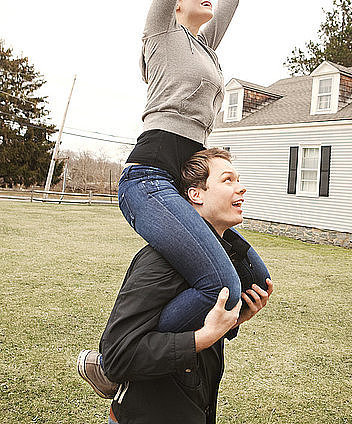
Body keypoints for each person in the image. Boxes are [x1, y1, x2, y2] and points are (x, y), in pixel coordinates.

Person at [117, 0, 254, 335]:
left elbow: (231, 1)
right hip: (150, 178)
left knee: (255, 279)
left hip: (184, 183)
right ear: (175, 3)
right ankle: (125, 360)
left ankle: (201, 337)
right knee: (222, 286)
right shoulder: (160, 31)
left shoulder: (206, 48)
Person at [79, 148, 273, 424]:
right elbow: (118, 355)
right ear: (196, 194)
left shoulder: (223, 257)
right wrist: (204, 337)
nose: (241, 188)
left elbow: (188, 326)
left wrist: (233, 320)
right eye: (228, 180)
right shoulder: (160, 260)